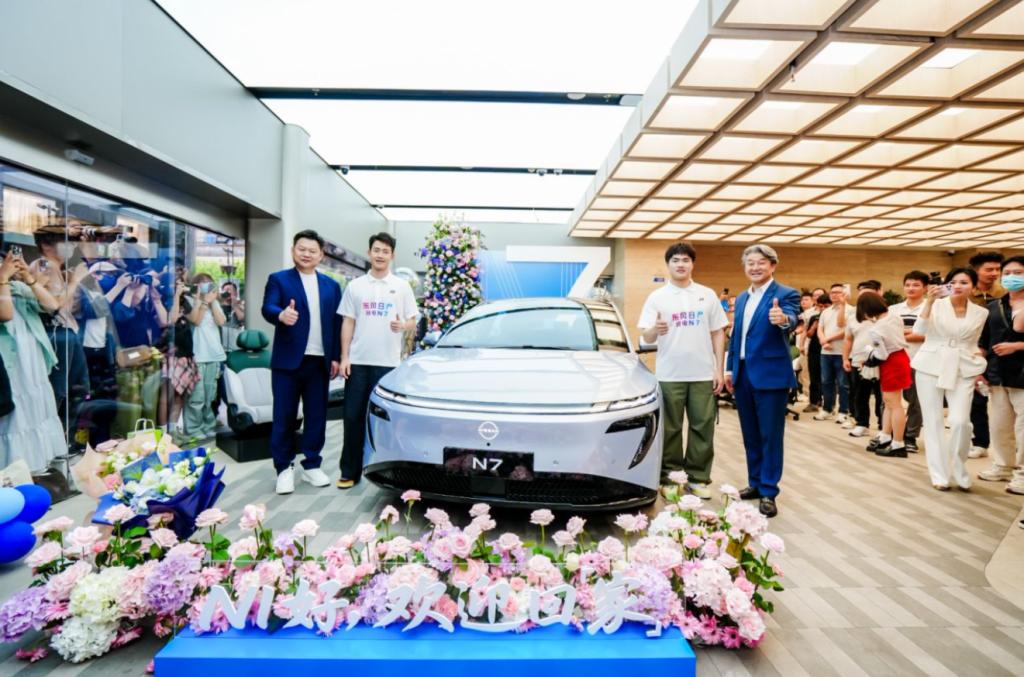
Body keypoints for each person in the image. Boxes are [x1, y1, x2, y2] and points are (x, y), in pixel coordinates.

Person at [638, 242, 728, 500]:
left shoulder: (707, 295)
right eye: (675, 260)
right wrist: (655, 330)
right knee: (670, 429)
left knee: (703, 427)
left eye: (686, 260)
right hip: (669, 375)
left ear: (692, 264)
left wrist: (719, 370)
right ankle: (670, 478)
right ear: (668, 264)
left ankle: (698, 478)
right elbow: (646, 336)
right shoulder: (657, 297)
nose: (680, 264)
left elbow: (718, 332)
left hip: (702, 374)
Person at [261, 229, 342, 494]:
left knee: (316, 416)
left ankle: (312, 465)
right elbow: (268, 307)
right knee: (283, 417)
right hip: (287, 363)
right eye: (301, 249)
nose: (306, 254)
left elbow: (337, 323)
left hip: (319, 362)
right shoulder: (279, 279)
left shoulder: (331, 286)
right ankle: (284, 468)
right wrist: (281, 315)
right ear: (293, 250)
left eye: (312, 250)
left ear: (321, 255)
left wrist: (337, 356)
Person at [337, 232, 418, 489]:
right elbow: (348, 322)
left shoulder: (402, 286)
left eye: (385, 251)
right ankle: (349, 472)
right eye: (376, 250)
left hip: (389, 365)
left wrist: (403, 325)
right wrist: (345, 357)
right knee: (352, 417)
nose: (380, 255)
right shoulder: (356, 286)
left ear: (392, 255)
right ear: (369, 252)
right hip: (358, 362)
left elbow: (413, 321)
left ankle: (389, 472)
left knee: (388, 422)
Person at [725, 244, 800, 518]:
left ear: (772, 265)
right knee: (751, 435)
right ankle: (755, 482)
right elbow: (737, 335)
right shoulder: (743, 297)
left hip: (770, 375)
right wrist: (730, 369)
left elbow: (792, 319)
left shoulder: (785, 294)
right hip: (743, 373)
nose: (755, 267)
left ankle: (769, 490)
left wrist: (783, 319)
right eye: (750, 263)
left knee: (770, 436)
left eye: (761, 262)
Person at [912, 268, 987, 491]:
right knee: (933, 421)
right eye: (953, 282)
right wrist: (929, 302)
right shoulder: (935, 304)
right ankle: (939, 474)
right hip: (931, 363)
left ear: (973, 286)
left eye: (964, 282)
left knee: (960, 421)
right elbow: (919, 330)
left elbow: (974, 341)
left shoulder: (981, 312)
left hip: (963, 366)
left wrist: (978, 360)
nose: (958, 286)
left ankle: (959, 468)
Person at [0, 249, 67, 471]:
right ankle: (17, 471)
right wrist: (3, 278)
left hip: (32, 359)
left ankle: (41, 468)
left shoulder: (17, 287)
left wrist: (27, 277)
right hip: (11, 363)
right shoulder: (4, 286)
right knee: (16, 417)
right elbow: (5, 313)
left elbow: (52, 305)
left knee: (37, 409)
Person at [978, 256, 1024, 494]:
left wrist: (1017, 346)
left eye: (1018, 272)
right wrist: (979, 368)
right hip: (997, 373)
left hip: (1022, 374)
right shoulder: (994, 306)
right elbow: (983, 341)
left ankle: (1023, 473)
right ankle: (1004, 465)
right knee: (999, 424)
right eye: (1007, 273)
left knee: (1023, 427)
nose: (1011, 277)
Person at [858, 293, 912, 457]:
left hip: (891, 363)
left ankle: (898, 443)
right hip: (901, 357)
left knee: (893, 404)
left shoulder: (876, 329)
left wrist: (869, 351)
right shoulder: (895, 317)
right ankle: (886, 436)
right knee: (890, 402)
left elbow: (882, 355)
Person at [967, 252, 1006, 460]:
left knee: (1005, 403)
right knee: (976, 400)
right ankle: (980, 442)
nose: (994, 273)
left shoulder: (1005, 293)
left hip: (999, 350)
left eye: (997, 269)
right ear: (976, 271)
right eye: (989, 269)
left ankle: (1010, 449)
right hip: (973, 349)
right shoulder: (966, 294)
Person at [888, 271, 929, 453]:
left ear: (925, 288)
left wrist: (901, 333)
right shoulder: (894, 309)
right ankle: (890, 434)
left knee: (917, 401)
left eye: (916, 285)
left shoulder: (931, 307)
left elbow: (929, 334)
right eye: (908, 285)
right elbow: (887, 332)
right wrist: (913, 332)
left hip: (921, 359)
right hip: (896, 359)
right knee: (891, 400)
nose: (911, 288)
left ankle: (910, 436)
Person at [183, 273, 226, 442]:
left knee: (210, 395)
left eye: (209, 282)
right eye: (202, 283)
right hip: (197, 354)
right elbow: (196, 321)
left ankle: (208, 425)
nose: (206, 285)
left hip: (214, 354)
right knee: (196, 396)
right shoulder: (189, 300)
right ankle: (193, 428)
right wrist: (203, 302)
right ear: (196, 285)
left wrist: (213, 301)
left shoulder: (215, 302)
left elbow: (221, 321)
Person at [843, 281, 883, 438]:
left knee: (881, 396)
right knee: (860, 394)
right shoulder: (853, 317)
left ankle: (883, 426)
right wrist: (845, 358)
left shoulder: (884, 315)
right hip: (858, 360)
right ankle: (862, 424)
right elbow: (848, 339)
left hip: (880, 360)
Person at [815, 283, 853, 424]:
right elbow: (820, 328)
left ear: (845, 294)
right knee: (826, 382)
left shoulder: (851, 310)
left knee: (843, 384)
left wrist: (828, 339)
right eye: (832, 292)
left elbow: (845, 329)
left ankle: (843, 411)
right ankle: (827, 409)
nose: (834, 294)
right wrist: (822, 340)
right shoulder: (826, 311)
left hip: (842, 352)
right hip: (825, 352)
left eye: (838, 292)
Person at [800, 289, 827, 413]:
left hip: (828, 350)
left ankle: (828, 404)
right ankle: (814, 402)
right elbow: (808, 334)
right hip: (814, 349)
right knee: (814, 377)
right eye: (820, 306)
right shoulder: (813, 316)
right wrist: (815, 325)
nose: (822, 308)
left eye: (825, 306)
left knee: (826, 378)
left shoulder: (833, 317)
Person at [795, 291, 814, 401]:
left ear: (813, 301)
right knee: (801, 371)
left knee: (806, 371)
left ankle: (808, 394)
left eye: (806, 300)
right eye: (802, 300)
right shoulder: (800, 314)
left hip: (807, 346)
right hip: (798, 346)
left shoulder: (812, 313)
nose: (803, 302)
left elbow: (804, 329)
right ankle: (803, 391)